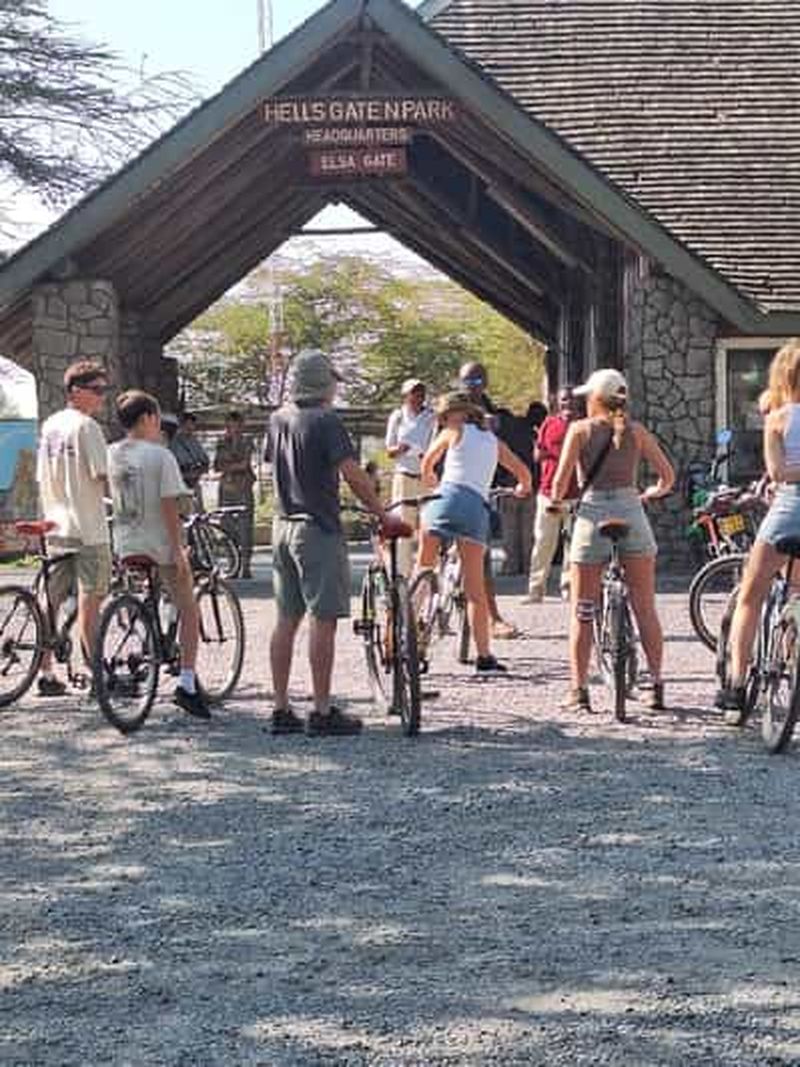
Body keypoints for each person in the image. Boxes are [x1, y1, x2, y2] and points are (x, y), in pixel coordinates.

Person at [265, 349, 405, 737]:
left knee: (285, 619)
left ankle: (280, 708)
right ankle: (322, 709)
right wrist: (382, 513)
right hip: (317, 527)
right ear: (324, 383)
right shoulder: (327, 422)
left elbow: (273, 465)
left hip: (282, 526)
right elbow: (353, 475)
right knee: (322, 619)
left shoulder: (277, 419)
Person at [550, 368, 674, 712]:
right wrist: (650, 493)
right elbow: (668, 476)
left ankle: (578, 691)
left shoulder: (579, 430)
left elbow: (560, 484)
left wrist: (558, 504)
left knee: (583, 610)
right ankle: (657, 685)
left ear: (593, 398)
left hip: (591, 517)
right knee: (645, 606)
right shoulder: (636, 432)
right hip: (632, 513)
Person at [108, 390, 211, 720]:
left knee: (145, 595)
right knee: (188, 607)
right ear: (148, 419)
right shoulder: (160, 455)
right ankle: (187, 682)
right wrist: (179, 548)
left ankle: (145, 640)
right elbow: (170, 507)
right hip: (158, 543)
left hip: (125, 542)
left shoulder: (111, 454)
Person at [419, 391, 532, 675]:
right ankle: (483, 656)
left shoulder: (450, 433)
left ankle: (406, 636)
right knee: (475, 590)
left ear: (452, 416)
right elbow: (523, 474)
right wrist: (521, 489)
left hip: (443, 500)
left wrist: (432, 482)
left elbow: (427, 464)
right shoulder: (494, 442)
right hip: (474, 509)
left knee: (423, 568)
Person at [716, 340, 800, 719]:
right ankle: (791, 672)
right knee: (797, 593)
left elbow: (778, 473)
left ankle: (735, 684)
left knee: (751, 593)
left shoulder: (778, 419)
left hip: (790, 508)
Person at [35, 359, 112, 696]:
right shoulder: (87, 427)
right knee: (90, 599)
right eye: (96, 390)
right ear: (75, 391)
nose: (102, 398)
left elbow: (42, 475)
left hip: (56, 524)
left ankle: (46, 672)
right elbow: (103, 476)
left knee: (49, 600)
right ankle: (95, 673)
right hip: (89, 527)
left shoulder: (50, 425)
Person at [458, 361, 518, 639]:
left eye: (478, 380)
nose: (473, 386)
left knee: (481, 561)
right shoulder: (451, 414)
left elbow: (505, 453)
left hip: (481, 492)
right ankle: (418, 619)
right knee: (429, 556)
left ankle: (492, 617)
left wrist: (510, 483)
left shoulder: (495, 417)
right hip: (452, 489)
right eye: (468, 381)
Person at [524, 387, 581, 602]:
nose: (569, 404)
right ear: (558, 402)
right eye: (564, 400)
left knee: (573, 545)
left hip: (575, 494)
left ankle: (568, 586)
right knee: (543, 543)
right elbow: (537, 454)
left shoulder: (583, 425)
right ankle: (536, 589)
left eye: (572, 400)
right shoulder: (549, 423)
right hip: (549, 493)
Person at [385, 378, 436, 575]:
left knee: (428, 525)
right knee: (404, 525)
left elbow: (435, 443)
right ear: (406, 395)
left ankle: (425, 570)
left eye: (421, 392)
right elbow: (389, 449)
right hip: (404, 475)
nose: (418, 396)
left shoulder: (430, 416)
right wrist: (401, 448)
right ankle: (402, 572)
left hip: (424, 475)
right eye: (414, 392)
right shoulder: (398, 416)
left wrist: (427, 455)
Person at [496, 400, 548, 576]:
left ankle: (512, 565)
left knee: (510, 528)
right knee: (528, 529)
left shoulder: (512, 428)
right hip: (528, 484)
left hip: (509, 483)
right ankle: (526, 565)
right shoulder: (534, 434)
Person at [214, 411, 256, 579]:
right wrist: (233, 465)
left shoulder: (247, 441)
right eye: (231, 425)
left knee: (246, 527)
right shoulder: (221, 442)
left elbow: (244, 463)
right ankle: (233, 565)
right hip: (226, 488)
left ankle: (245, 566)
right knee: (227, 527)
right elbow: (217, 466)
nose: (235, 428)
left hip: (243, 487)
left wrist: (229, 465)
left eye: (238, 424)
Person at [169, 412, 210, 511]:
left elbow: (205, 461)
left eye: (192, 425)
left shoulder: (194, 442)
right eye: (188, 425)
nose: (190, 428)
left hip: (194, 482)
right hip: (180, 484)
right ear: (182, 425)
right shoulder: (173, 443)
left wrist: (198, 471)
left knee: (198, 512)